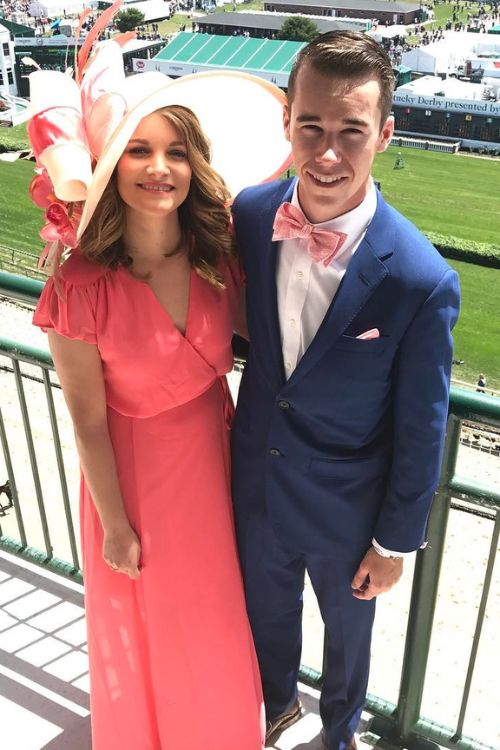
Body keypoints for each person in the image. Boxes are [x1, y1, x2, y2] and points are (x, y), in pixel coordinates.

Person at [28, 17, 289, 748]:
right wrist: (115, 526)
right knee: (154, 626)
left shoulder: (219, 260)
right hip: (135, 487)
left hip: (219, 472)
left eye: (175, 151)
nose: (159, 167)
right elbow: (85, 421)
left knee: (217, 620)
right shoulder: (80, 287)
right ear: (111, 166)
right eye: (138, 150)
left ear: (195, 163)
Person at [231, 30, 461, 750]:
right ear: (287, 125)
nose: (328, 153)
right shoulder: (251, 213)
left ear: (386, 134)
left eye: (352, 132)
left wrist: (395, 541)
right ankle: (272, 715)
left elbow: (424, 427)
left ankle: (337, 738)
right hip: (255, 486)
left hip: (350, 512)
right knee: (263, 621)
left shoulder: (422, 280)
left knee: (346, 648)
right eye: (312, 127)